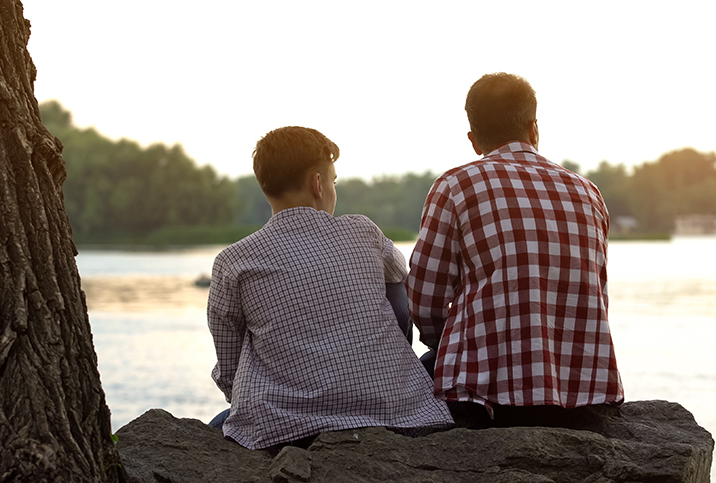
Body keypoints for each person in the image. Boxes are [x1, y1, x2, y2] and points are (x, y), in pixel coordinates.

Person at [208, 126, 453, 450]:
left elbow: (229, 370)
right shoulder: (363, 231)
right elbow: (401, 277)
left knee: (218, 424)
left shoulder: (233, 260)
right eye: (333, 181)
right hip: (395, 412)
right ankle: (387, 370)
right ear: (317, 184)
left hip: (284, 428)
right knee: (392, 281)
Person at [406, 73, 624, 428]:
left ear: (474, 141)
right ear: (534, 128)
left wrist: (440, 343)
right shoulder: (588, 192)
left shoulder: (455, 186)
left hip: (483, 395)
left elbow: (424, 298)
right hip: (582, 394)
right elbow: (598, 294)